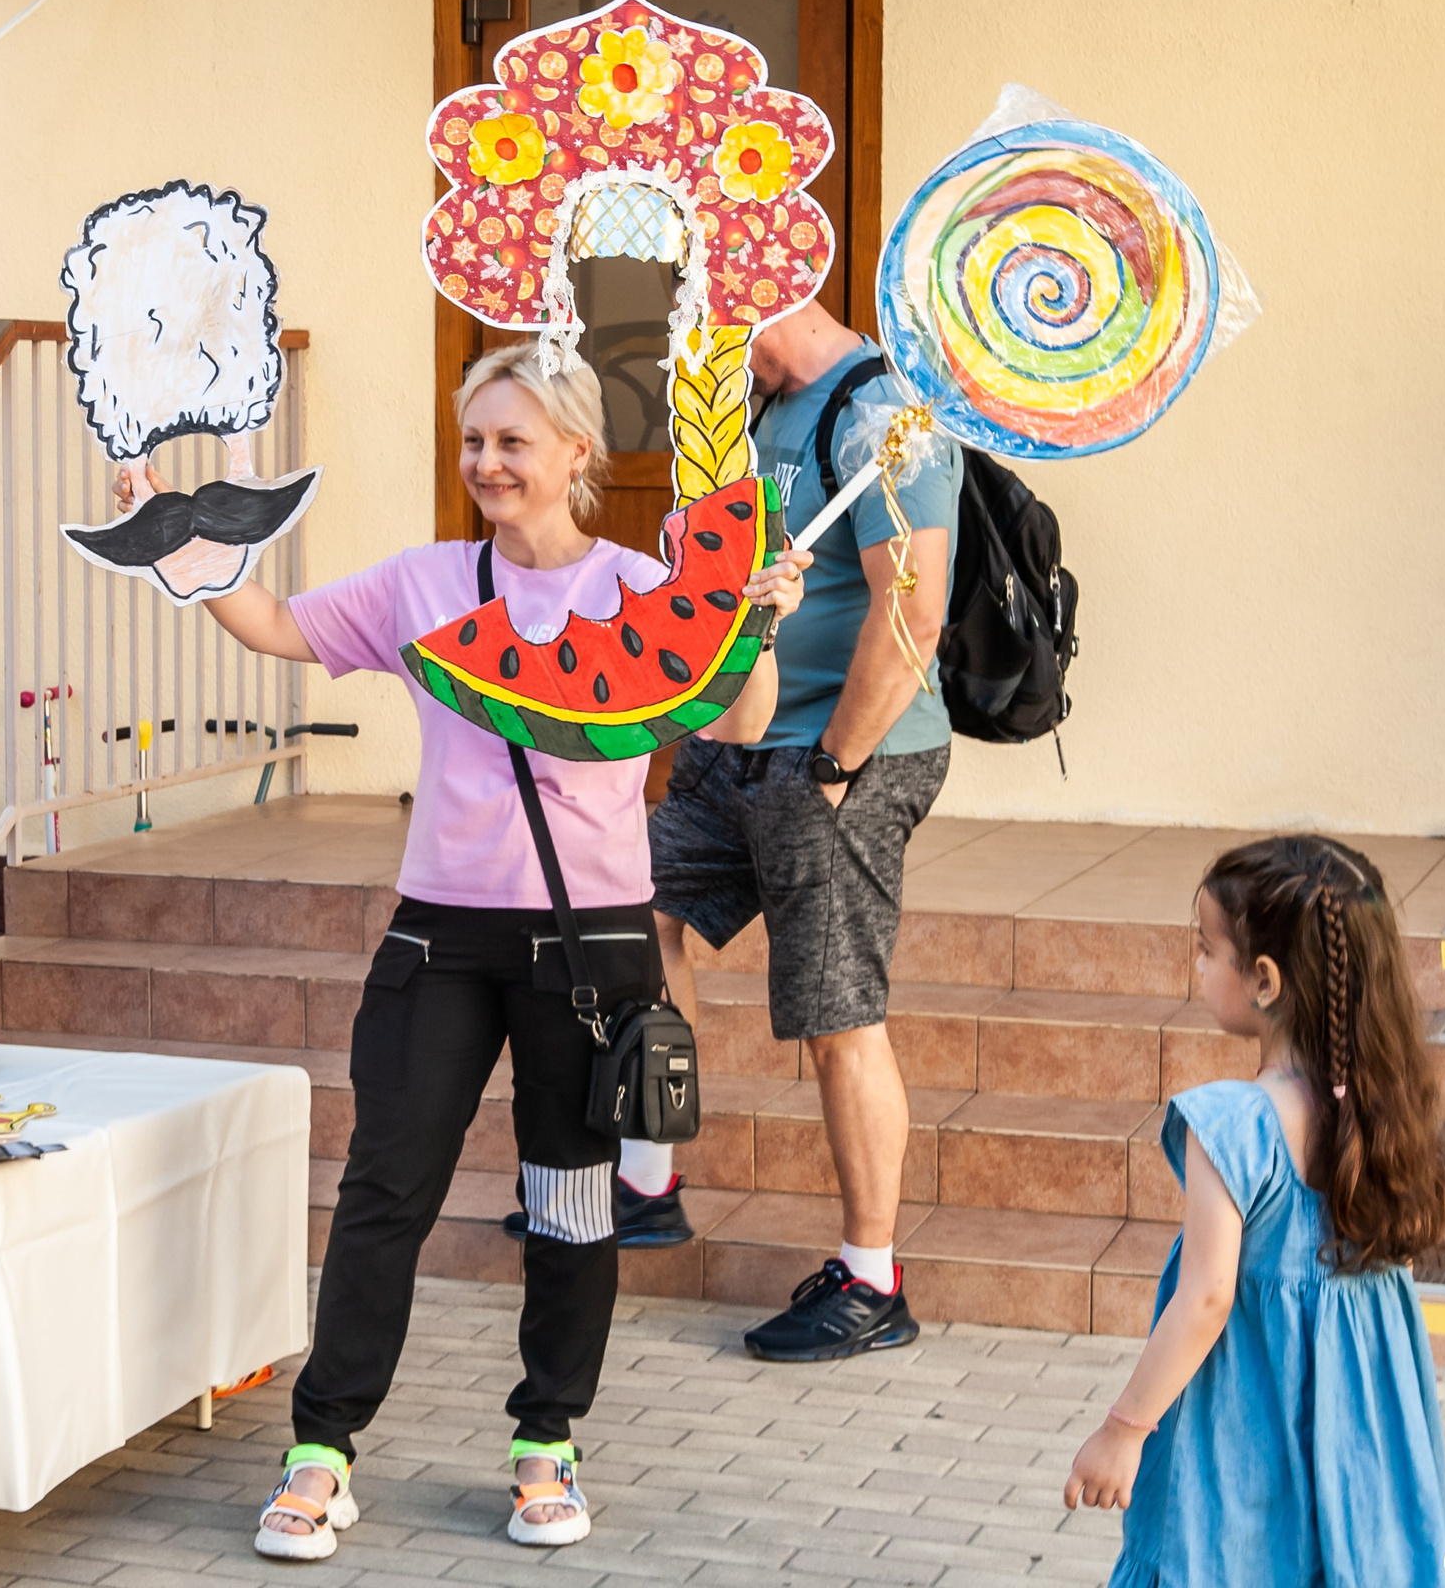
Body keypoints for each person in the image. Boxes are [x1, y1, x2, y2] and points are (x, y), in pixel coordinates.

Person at [134, 343, 806, 1559]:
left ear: (575, 455)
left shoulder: (645, 585)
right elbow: (277, 627)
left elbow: (741, 723)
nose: (487, 464)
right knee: (383, 1193)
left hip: (590, 942)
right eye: (473, 441)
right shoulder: (425, 584)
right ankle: (320, 1450)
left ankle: (547, 1442)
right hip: (439, 933)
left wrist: (755, 623)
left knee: (567, 1200)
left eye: (511, 442)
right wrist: (188, 552)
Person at [636, 296, 961, 1358]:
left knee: (836, 1016)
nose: (688, 352)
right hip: (743, 731)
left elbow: (911, 611)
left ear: (757, 300)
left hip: (841, 753)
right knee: (633, 909)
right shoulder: (760, 402)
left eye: (696, 324)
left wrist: (835, 766)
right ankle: (647, 1172)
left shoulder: (885, 417)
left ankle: (871, 1281)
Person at [1064, 836, 1445, 1582]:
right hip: (1365, 1430)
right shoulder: (1381, 1112)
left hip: (1247, 1421)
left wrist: (1125, 1430)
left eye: (1207, 951)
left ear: (1265, 980)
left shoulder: (1233, 1123)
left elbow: (1208, 1296)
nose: (1198, 967)